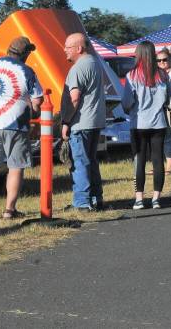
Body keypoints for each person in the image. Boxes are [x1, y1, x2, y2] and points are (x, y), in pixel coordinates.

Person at [0, 37, 43, 220]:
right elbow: (37, 100)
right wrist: (34, 111)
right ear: (26, 53)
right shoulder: (26, 71)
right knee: (16, 167)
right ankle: (9, 210)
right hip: (15, 124)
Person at [121, 41, 171, 210]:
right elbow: (168, 99)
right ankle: (156, 199)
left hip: (138, 123)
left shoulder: (132, 76)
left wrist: (129, 108)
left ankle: (139, 199)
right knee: (158, 161)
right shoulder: (164, 75)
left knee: (140, 161)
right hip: (159, 123)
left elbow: (127, 102)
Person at [61, 33, 107, 211]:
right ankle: (96, 198)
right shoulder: (95, 63)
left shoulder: (78, 68)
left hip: (80, 123)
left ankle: (81, 202)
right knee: (91, 160)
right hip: (95, 121)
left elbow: (74, 99)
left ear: (79, 48)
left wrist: (65, 122)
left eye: (68, 47)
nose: (65, 50)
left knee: (80, 162)